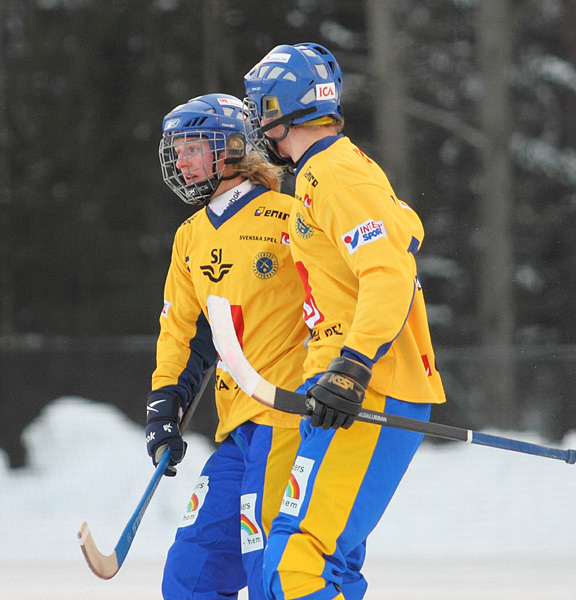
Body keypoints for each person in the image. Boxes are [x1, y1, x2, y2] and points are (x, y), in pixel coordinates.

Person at [242, 43, 447, 600]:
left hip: (368, 388)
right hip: (340, 387)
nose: (260, 124)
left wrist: (353, 366)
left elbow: (388, 273)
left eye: (262, 108)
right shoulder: (319, 174)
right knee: (319, 562)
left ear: (285, 109)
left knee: (297, 562)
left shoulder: (335, 174)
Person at [146, 93, 309, 600]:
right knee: (191, 568)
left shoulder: (291, 217)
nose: (181, 160)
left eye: (194, 147)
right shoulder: (189, 236)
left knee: (271, 567)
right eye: (177, 150)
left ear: (233, 148)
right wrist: (164, 405)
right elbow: (183, 333)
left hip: (286, 420)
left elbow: (342, 301)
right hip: (237, 428)